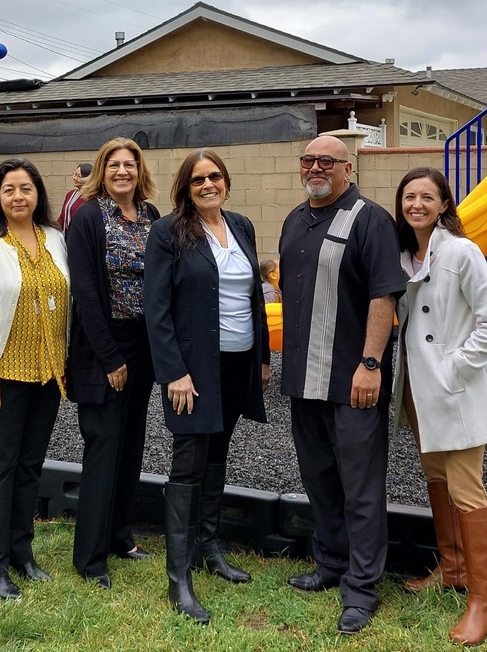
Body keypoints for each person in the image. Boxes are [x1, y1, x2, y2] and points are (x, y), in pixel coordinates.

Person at [278, 135, 407, 635]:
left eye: (326, 161)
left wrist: (370, 363)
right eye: (308, 160)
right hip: (303, 379)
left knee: (361, 486)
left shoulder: (370, 220)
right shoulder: (294, 219)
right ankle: (331, 563)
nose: (316, 167)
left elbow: (383, 295)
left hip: (354, 379)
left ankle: (361, 587)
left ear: (346, 169)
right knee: (319, 478)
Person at [144, 149, 270, 625]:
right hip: (193, 368)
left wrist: (261, 357)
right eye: (197, 179)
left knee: (218, 453)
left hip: (237, 364)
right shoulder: (168, 233)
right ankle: (179, 577)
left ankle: (208, 547)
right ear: (186, 187)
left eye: (214, 176)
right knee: (189, 460)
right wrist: (174, 371)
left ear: (226, 181)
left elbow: (254, 297)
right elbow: (156, 309)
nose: (207, 184)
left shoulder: (241, 226)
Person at [393, 167, 487, 646]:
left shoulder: (461, 252)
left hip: (454, 392)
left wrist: (453, 369)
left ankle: (484, 605)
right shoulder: (402, 256)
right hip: (419, 394)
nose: (416, 204)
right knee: (436, 478)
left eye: (427, 197)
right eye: (408, 196)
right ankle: (452, 567)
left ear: (444, 204)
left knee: (467, 489)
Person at [0, 158, 71, 600]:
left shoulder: (57, 240)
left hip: (47, 376)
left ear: (38, 193)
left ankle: (21, 552)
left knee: (29, 468)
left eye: (26, 188)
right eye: (9, 190)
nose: (19, 196)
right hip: (1, 375)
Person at [65, 138, 158, 590]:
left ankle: (121, 536)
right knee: (103, 446)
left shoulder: (151, 217)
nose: (123, 171)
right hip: (103, 347)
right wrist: (110, 356)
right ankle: (90, 557)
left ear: (140, 171)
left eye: (130, 164)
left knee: (131, 443)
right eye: (115, 165)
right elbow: (84, 292)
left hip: (144, 346)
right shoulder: (87, 219)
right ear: (102, 170)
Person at [57, 162, 92, 232]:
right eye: (75, 174)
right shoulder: (70, 194)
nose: (75, 178)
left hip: (79, 235)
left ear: (87, 178)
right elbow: (62, 217)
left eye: (79, 176)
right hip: (67, 234)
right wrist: (54, 230)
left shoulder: (90, 197)